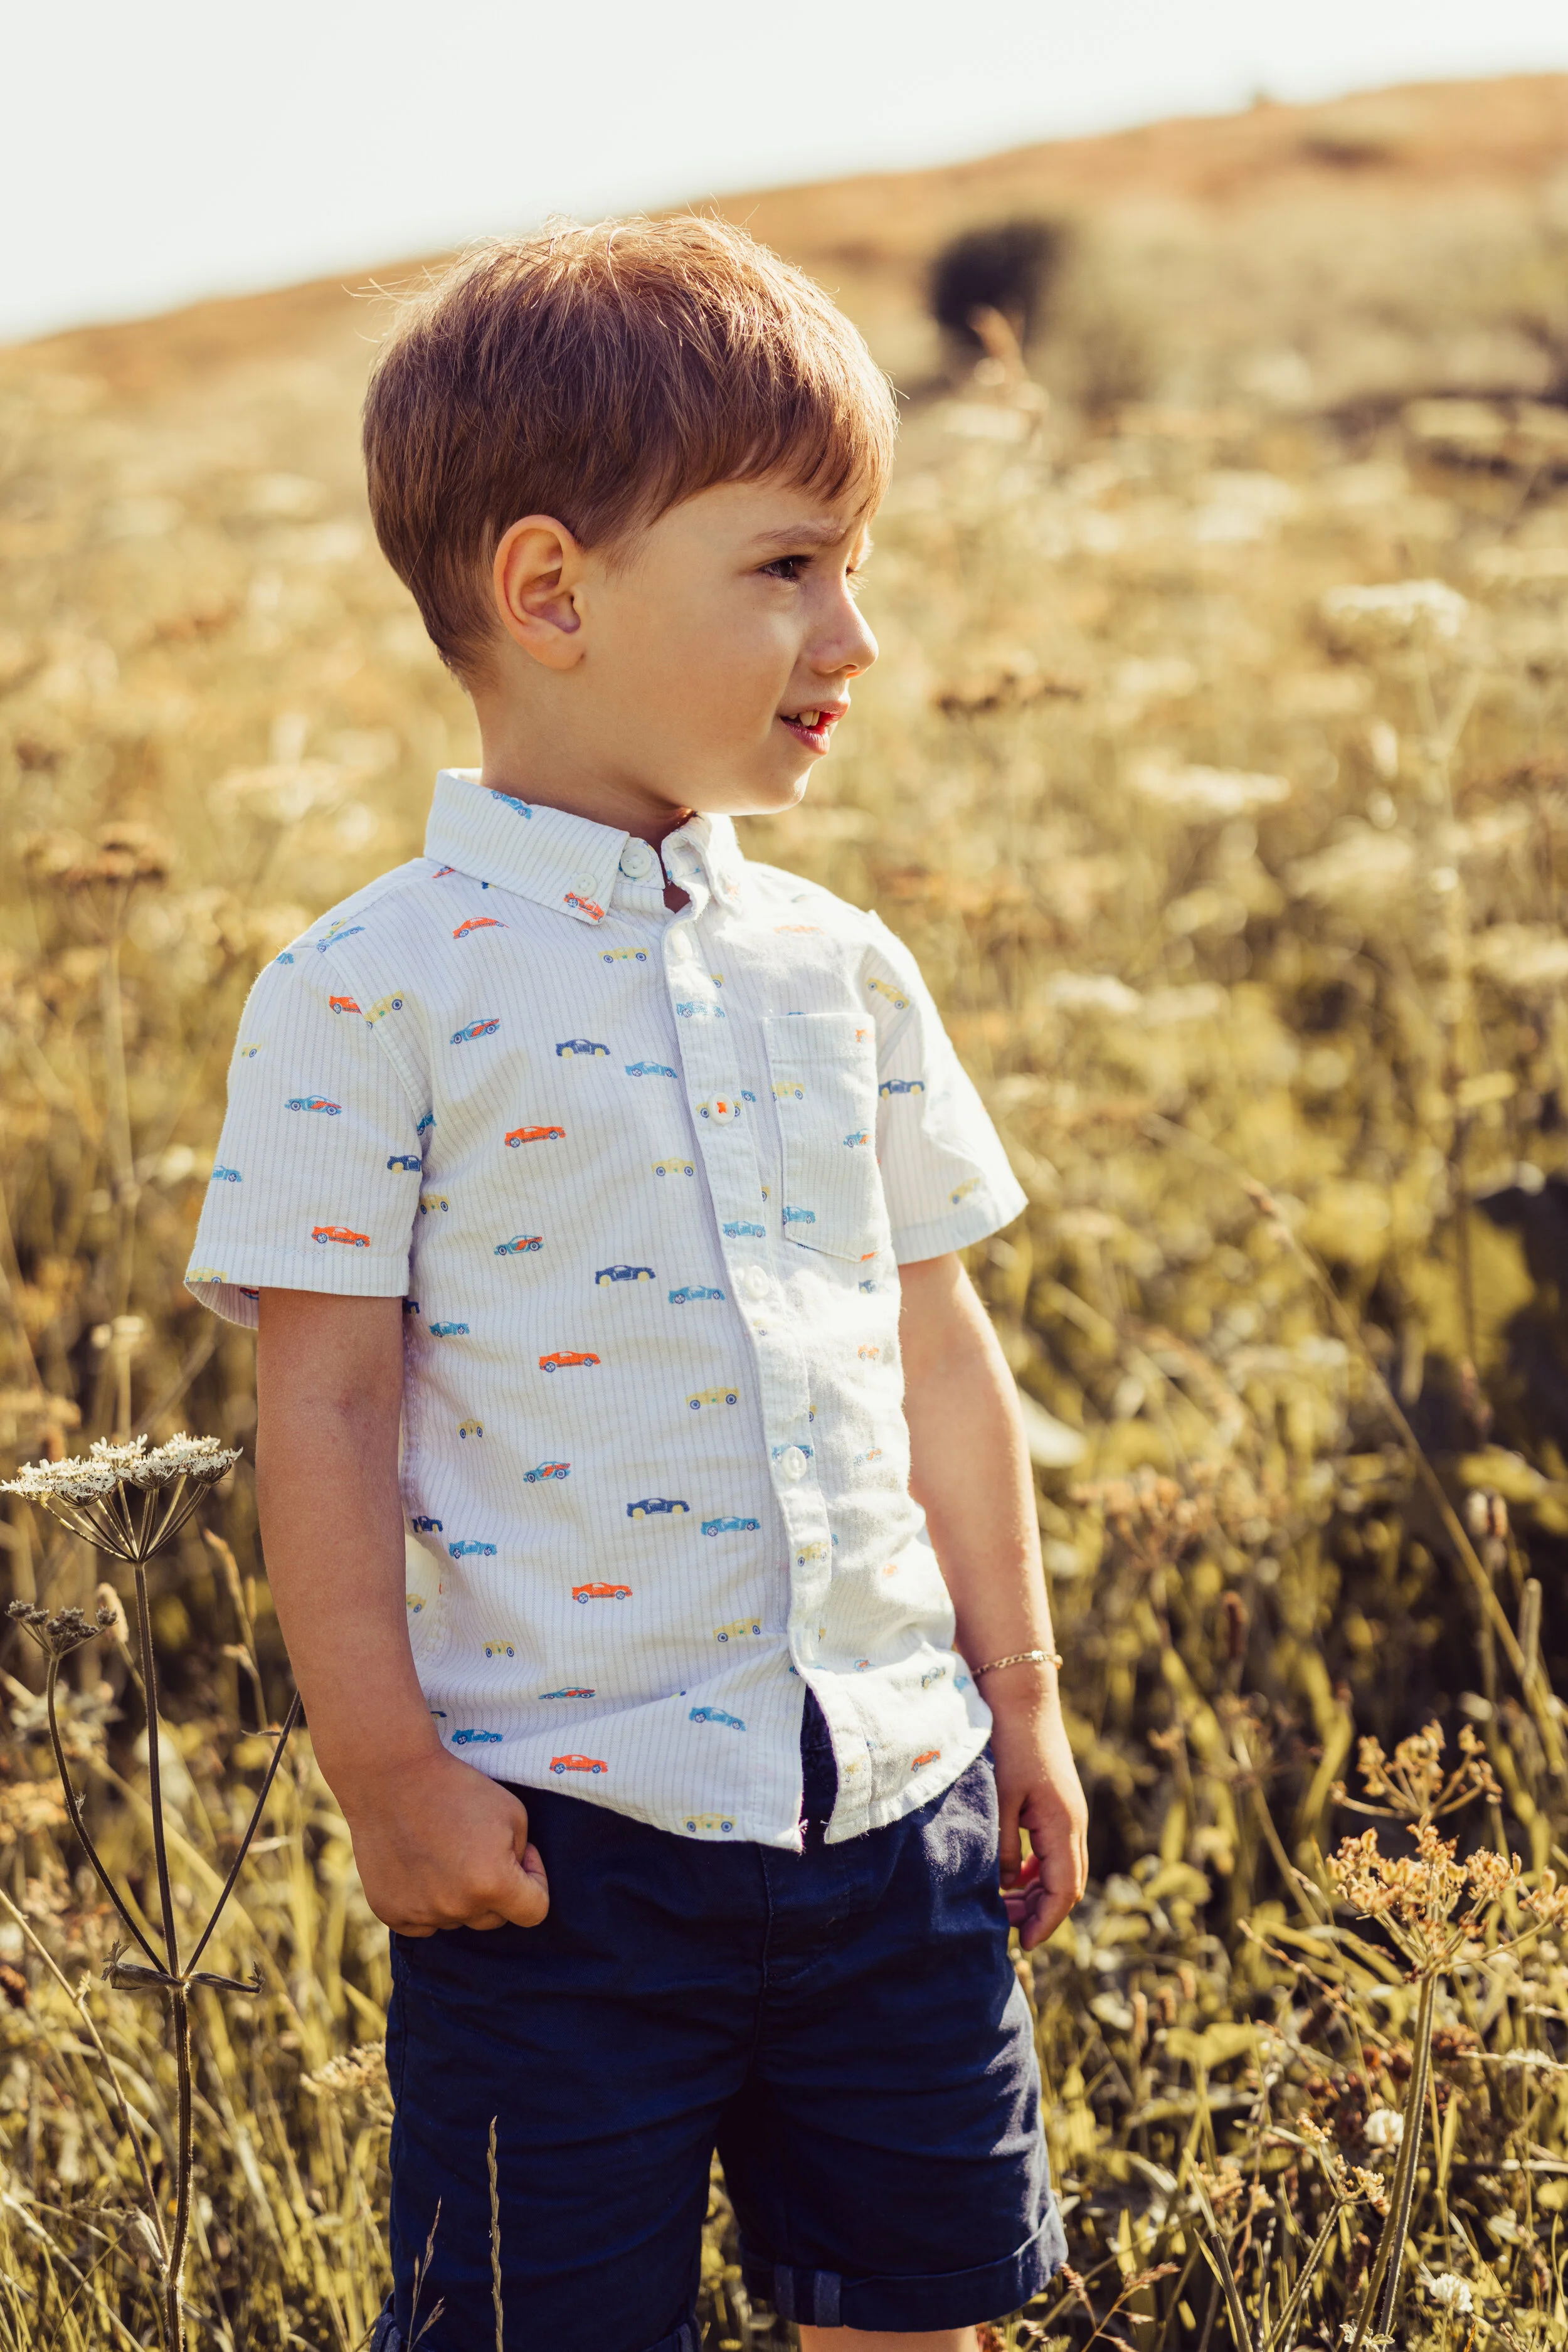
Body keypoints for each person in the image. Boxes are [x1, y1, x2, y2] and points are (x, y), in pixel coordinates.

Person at [187, 215, 1088, 2352]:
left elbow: (937, 1347)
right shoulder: (366, 987)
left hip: (891, 1811)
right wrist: (384, 1769)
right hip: (562, 1850)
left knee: (919, 2313)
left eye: (854, 566)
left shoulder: (840, 965)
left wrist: (1019, 1694)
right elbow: (314, 1403)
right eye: (787, 565)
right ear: (549, 591)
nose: (850, 630)